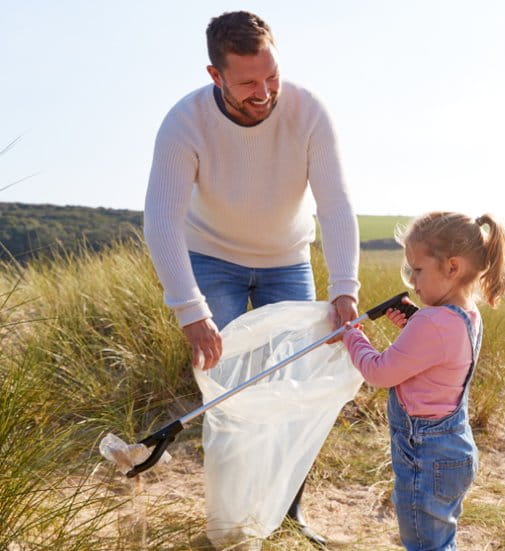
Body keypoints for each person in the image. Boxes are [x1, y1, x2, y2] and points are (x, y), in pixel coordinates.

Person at [142, 11, 359, 546]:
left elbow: (335, 206)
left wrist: (345, 288)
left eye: (272, 77)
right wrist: (190, 311)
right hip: (211, 258)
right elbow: (162, 220)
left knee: (295, 388)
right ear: (216, 76)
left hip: (288, 261)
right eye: (247, 83)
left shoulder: (309, 113)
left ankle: (286, 511)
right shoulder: (184, 121)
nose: (265, 93)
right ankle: (232, 522)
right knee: (229, 390)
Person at [341, 212, 505, 551]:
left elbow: (378, 372)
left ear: (452, 267)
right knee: (439, 540)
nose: (412, 282)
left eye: (417, 270)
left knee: (424, 544)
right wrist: (412, 327)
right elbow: (440, 357)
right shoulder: (467, 316)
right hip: (454, 450)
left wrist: (353, 337)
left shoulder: (431, 322)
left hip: (425, 455)